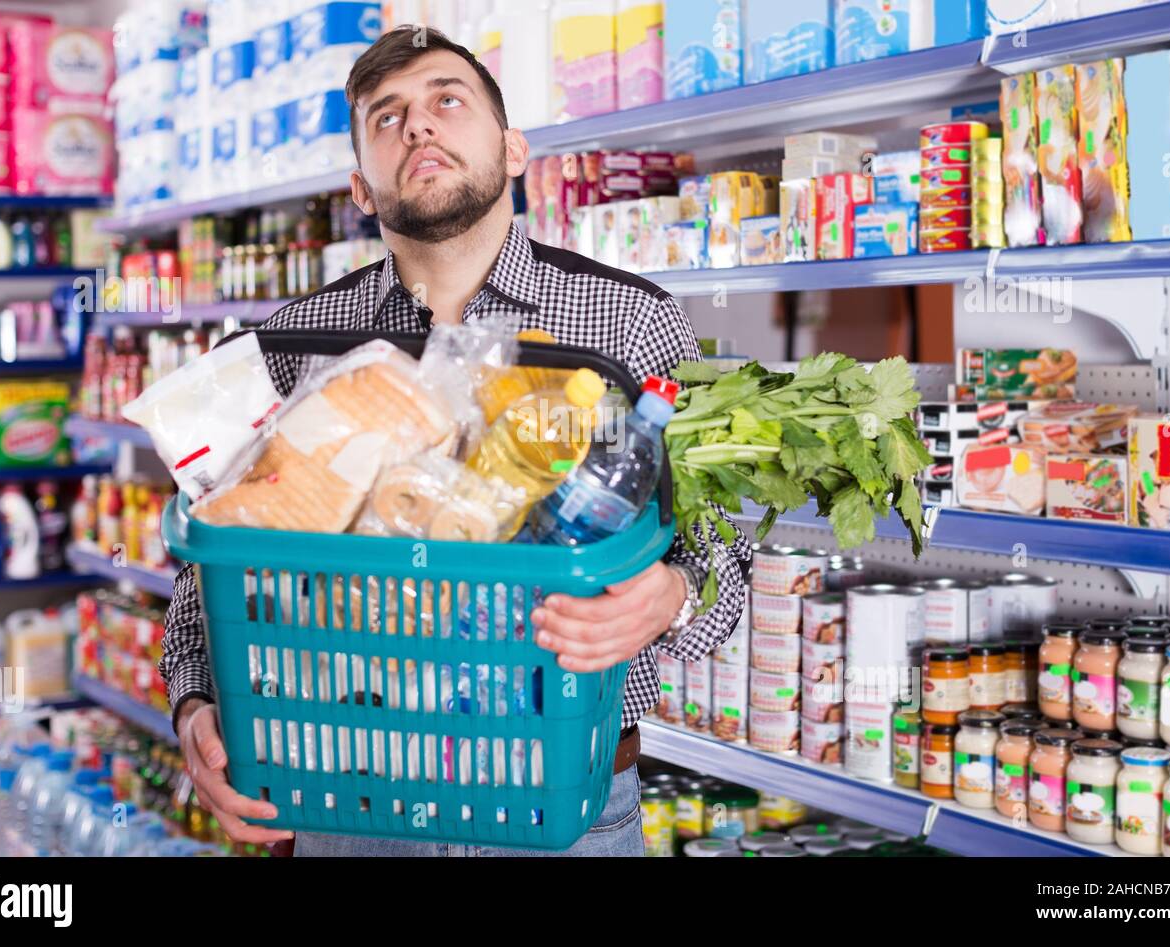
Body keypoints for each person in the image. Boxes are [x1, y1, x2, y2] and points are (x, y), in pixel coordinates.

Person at [160, 25, 751, 857]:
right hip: (350, 789)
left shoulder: (630, 321)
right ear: (359, 187)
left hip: (566, 799)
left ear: (514, 149)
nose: (419, 126)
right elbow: (205, 576)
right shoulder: (293, 346)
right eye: (387, 117)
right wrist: (194, 710)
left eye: (448, 100)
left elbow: (726, 558)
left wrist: (671, 597)